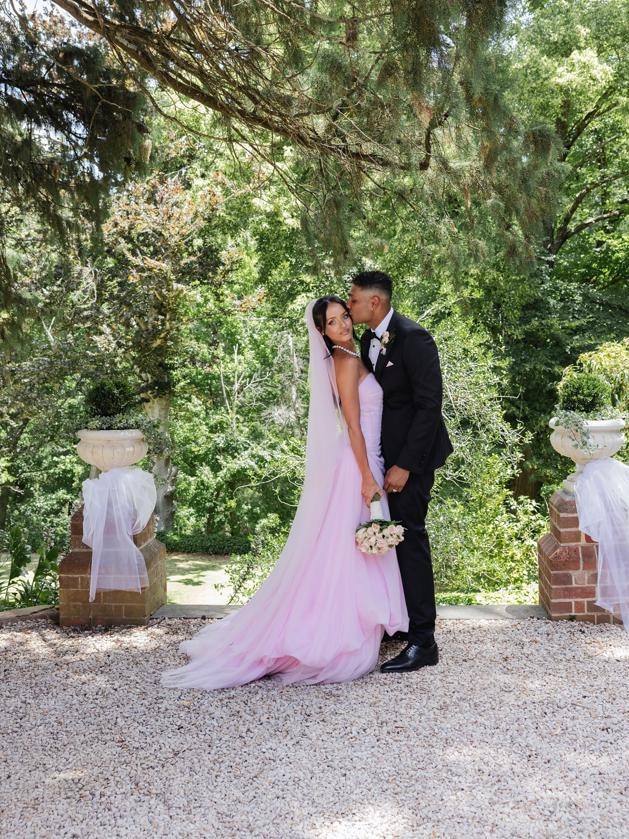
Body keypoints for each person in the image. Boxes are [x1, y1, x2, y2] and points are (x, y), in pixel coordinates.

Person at [161, 296, 408, 690]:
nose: (344, 324)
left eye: (345, 316)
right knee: (348, 555)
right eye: (333, 322)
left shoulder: (350, 353)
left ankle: (352, 626)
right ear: (322, 332)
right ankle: (335, 634)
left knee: (348, 552)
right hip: (359, 464)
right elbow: (354, 426)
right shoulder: (344, 363)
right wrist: (366, 475)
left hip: (367, 460)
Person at [348, 271, 453, 673]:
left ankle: (424, 642)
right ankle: (400, 624)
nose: (350, 305)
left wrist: (406, 465)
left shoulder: (414, 338)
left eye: (354, 300)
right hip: (382, 459)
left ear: (374, 303)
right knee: (389, 537)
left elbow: (429, 406)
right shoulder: (367, 339)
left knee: (410, 539)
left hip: (413, 460)